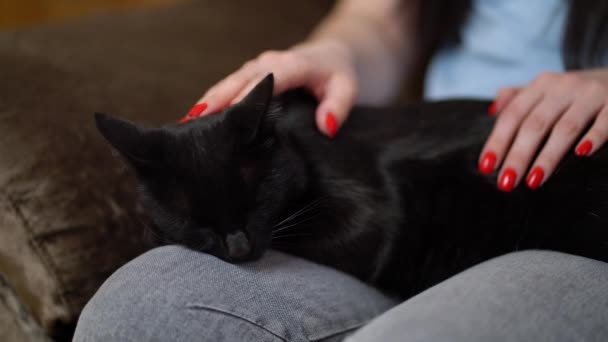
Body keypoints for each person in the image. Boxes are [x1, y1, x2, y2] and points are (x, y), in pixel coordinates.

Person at [74, 0, 608, 341]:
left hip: (563, 214)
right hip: (431, 163)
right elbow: (380, 19)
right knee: (138, 310)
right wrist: (334, 52)